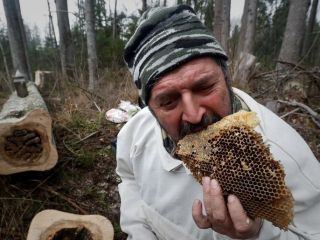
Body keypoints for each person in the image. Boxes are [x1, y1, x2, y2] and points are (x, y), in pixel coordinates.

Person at [116, 5, 320, 240]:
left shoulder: (284, 154)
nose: (193, 115)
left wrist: (259, 235)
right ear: (150, 109)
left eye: (204, 87)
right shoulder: (134, 134)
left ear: (226, 78)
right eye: (169, 101)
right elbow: (128, 180)